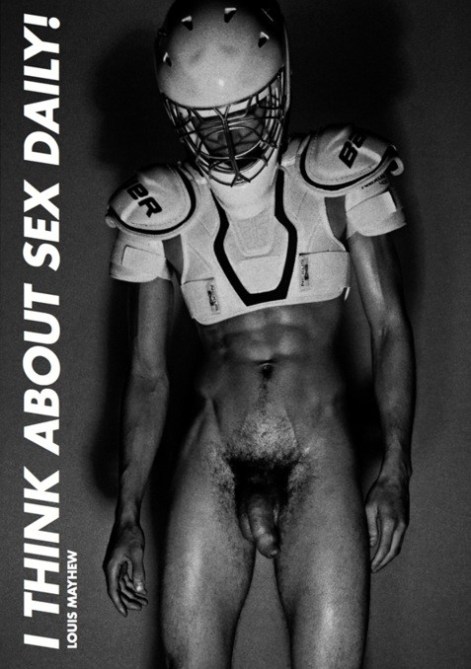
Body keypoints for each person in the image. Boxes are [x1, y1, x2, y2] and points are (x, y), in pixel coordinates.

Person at [104, 1, 415, 667]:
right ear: (180, 117)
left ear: (276, 89)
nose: (228, 138)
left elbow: (389, 326)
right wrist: (127, 513)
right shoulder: (162, 214)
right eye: (207, 123)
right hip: (213, 451)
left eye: (242, 114)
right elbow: (148, 374)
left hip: (317, 449)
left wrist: (395, 467)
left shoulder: (336, 182)